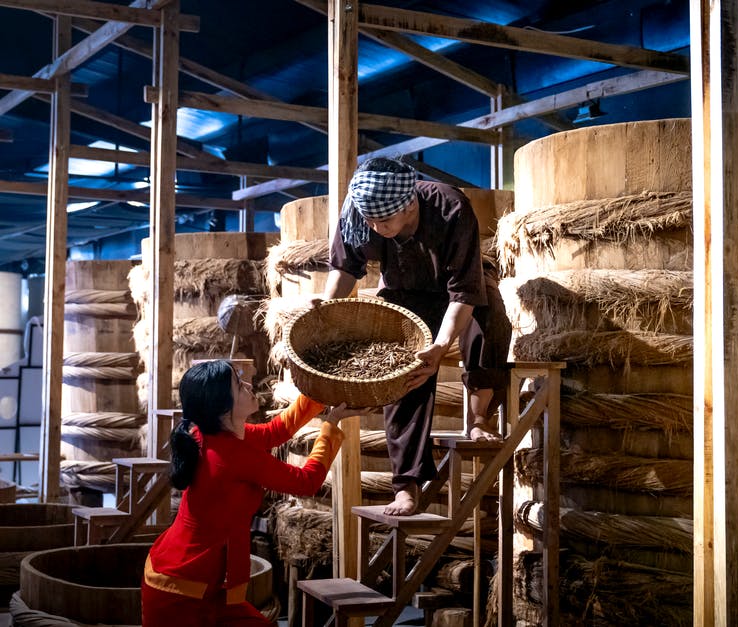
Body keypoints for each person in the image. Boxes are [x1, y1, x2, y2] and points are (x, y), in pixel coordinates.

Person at [322, 157, 511, 517]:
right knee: (403, 369)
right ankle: (406, 486)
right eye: (371, 221)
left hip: (461, 285)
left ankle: (478, 418)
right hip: (404, 290)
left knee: (491, 322)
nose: (377, 228)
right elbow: (347, 267)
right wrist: (324, 308)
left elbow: (464, 294)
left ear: (410, 205)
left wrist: (440, 347)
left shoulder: (450, 206)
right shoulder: (359, 211)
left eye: (385, 221)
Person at [141, 360, 354, 625]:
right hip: (180, 591)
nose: (247, 386)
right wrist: (331, 426)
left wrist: (317, 395)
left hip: (195, 579)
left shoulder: (215, 434)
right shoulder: (231, 456)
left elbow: (275, 432)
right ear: (222, 406)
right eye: (237, 384)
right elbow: (306, 481)